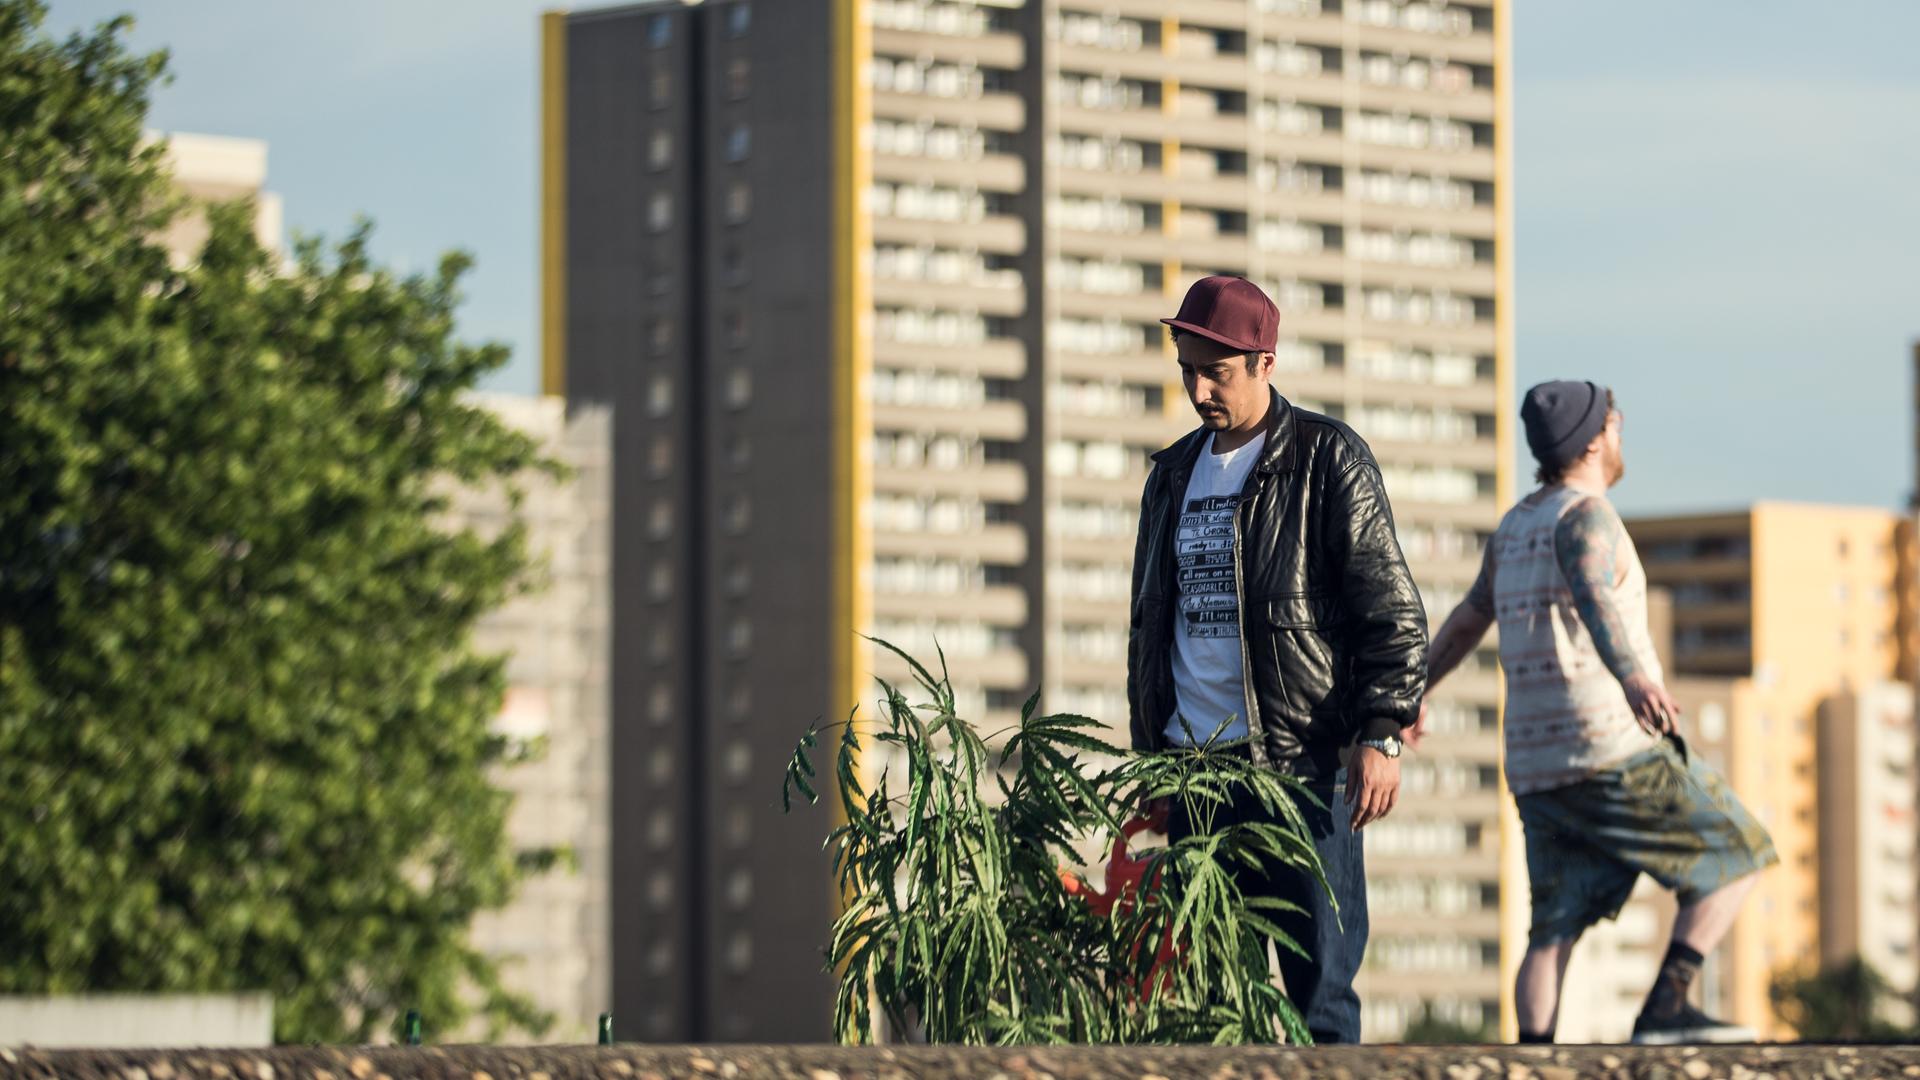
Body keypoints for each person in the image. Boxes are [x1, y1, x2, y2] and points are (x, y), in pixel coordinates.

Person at [1416, 379, 1777, 1045]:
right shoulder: (1588, 518)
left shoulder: (1514, 526)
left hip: (1534, 763)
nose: (1621, 433)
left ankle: (1534, 1055)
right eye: (1615, 422)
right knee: (1739, 851)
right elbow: (1592, 593)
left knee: (1552, 926)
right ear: (1592, 440)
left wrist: (1414, 694)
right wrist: (1636, 678)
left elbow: (1468, 620)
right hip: (1608, 746)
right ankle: (1666, 1008)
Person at [1128, 275, 1428, 1044]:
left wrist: (1383, 730)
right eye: (1188, 368)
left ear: (1265, 362)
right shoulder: (1170, 476)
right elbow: (1151, 632)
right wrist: (1153, 769)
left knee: (1319, 999)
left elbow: (1388, 611)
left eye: (1216, 372)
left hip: (1303, 771)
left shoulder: (1329, 459)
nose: (1198, 389)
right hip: (1197, 773)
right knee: (1209, 1003)